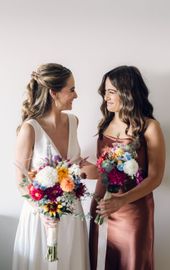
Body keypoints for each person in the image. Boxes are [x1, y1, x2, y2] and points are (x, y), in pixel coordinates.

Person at [12, 63, 95, 270]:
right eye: (72, 89)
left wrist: (103, 170)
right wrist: (43, 212)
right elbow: (21, 181)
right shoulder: (30, 129)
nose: (76, 95)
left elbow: (80, 168)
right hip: (41, 218)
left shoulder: (74, 122)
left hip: (72, 215)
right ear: (53, 93)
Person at [89, 65, 165, 270]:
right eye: (105, 92)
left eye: (111, 92)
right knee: (101, 260)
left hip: (134, 212)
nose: (106, 97)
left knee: (133, 262)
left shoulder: (149, 127)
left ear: (127, 92)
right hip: (102, 207)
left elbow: (156, 177)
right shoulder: (104, 125)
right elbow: (102, 173)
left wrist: (122, 200)